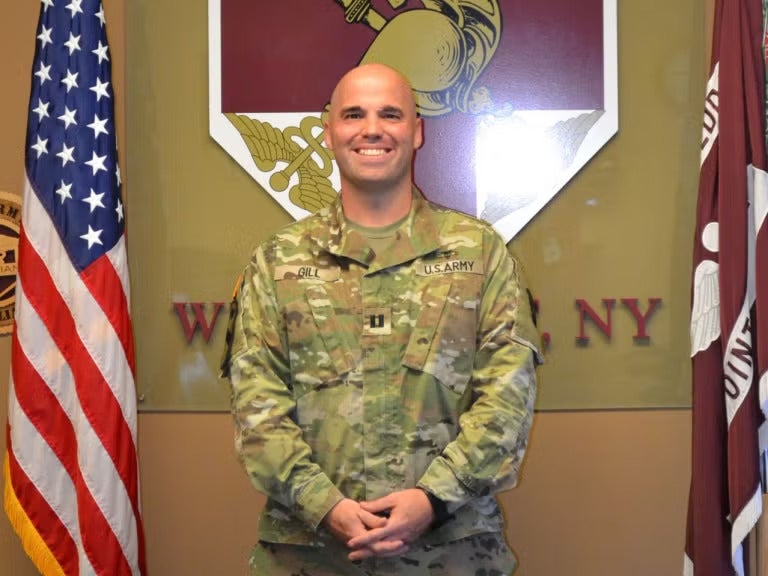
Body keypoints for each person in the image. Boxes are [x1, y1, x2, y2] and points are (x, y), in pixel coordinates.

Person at [221, 63, 542, 576]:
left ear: (416, 131)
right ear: (329, 133)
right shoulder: (277, 261)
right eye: (354, 114)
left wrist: (434, 498)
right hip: (308, 556)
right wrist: (325, 505)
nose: (372, 129)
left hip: (452, 552)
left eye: (390, 114)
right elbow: (257, 409)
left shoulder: (479, 253)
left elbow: (507, 398)